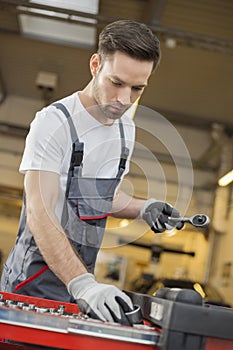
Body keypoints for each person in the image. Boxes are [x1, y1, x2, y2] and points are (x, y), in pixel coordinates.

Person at [0, 20, 183, 324]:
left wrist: (143, 207)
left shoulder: (125, 129)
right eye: (117, 83)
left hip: (80, 286)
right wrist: (83, 283)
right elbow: (39, 212)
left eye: (137, 88)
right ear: (95, 64)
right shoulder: (54, 122)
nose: (124, 99)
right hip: (30, 285)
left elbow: (98, 198)